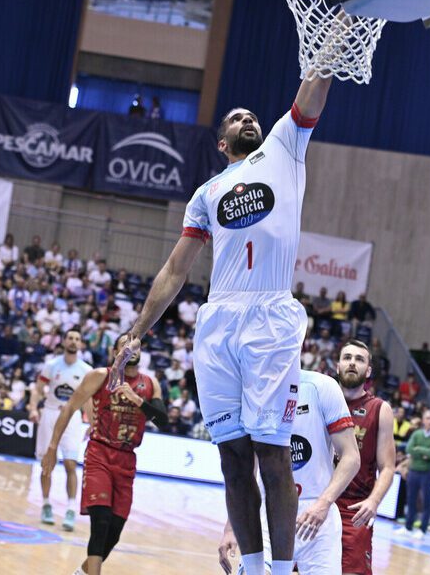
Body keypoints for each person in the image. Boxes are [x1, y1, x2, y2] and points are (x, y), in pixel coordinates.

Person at [108, 73, 336, 575]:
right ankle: (252, 571)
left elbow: (311, 93)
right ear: (221, 141)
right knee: (232, 456)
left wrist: (328, 52)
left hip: (270, 314)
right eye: (237, 118)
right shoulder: (207, 193)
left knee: (271, 452)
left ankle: (281, 570)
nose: (248, 118)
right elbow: (175, 269)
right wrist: (136, 331)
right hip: (218, 322)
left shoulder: (284, 146)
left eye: (251, 115)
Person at [42, 335, 167, 575]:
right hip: (100, 452)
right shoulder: (100, 376)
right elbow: (70, 407)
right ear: (114, 352)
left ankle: (82, 572)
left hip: (127, 459)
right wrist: (52, 446)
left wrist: (137, 400)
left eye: (135, 344)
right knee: (100, 523)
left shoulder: (151, 383)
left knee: (114, 532)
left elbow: (162, 420)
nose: (131, 348)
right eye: (124, 344)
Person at [218, 369, 359, 575]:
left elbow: (351, 457)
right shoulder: (252, 391)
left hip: (317, 517)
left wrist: (323, 503)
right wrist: (232, 526)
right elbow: (245, 469)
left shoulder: (322, 386)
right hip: (267, 513)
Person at [335, 340, 395, 575]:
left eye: (359, 359)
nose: (352, 363)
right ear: (337, 365)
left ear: (368, 371)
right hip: (315, 500)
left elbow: (388, 467)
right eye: (347, 357)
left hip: (353, 509)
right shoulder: (320, 400)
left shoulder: (380, 409)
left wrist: (374, 501)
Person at [30, 328, 93, 531]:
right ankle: (46, 505)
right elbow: (38, 389)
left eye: (77, 338)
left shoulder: (86, 370)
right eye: (70, 338)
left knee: (70, 464)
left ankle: (71, 509)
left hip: (73, 417)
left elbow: (89, 399)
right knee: (46, 464)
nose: (74, 341)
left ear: (81, 344)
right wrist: (33, 408)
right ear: (64, 341)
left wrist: (92, 423)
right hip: (50, 413)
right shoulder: (51, 365)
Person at [398, 409, 430, 539]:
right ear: (423, 420)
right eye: (428, 418)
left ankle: (423, 529)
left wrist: (418, 450)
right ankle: (408, 527)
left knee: (426, 501)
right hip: (413, 470)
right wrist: (423, 452)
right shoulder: (417, 433)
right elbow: (408, 449)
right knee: (411, 500)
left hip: (427, 472)